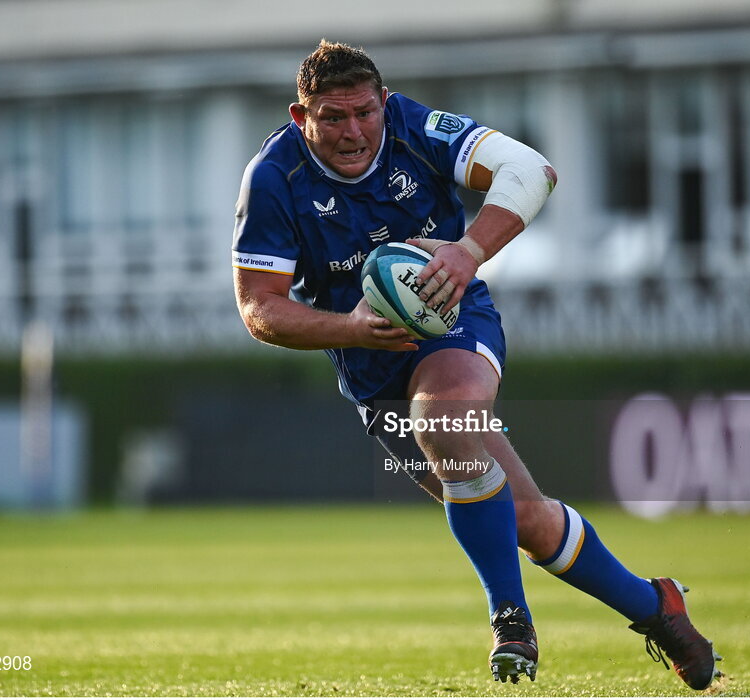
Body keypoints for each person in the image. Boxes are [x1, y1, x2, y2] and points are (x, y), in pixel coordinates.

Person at [232, 39, 722, 689]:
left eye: (364, 112)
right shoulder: (273, 177)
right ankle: (656, 606)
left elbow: (531, 170)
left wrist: (465, 252)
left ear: (384, 103)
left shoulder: (415, 128)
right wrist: (350, 326)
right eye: (332, 116)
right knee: (523, 518)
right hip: (366, 362)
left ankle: (508, 616)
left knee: (444, 422)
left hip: (451, 319)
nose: (353, 131)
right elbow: (259, 309)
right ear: (302, 117)